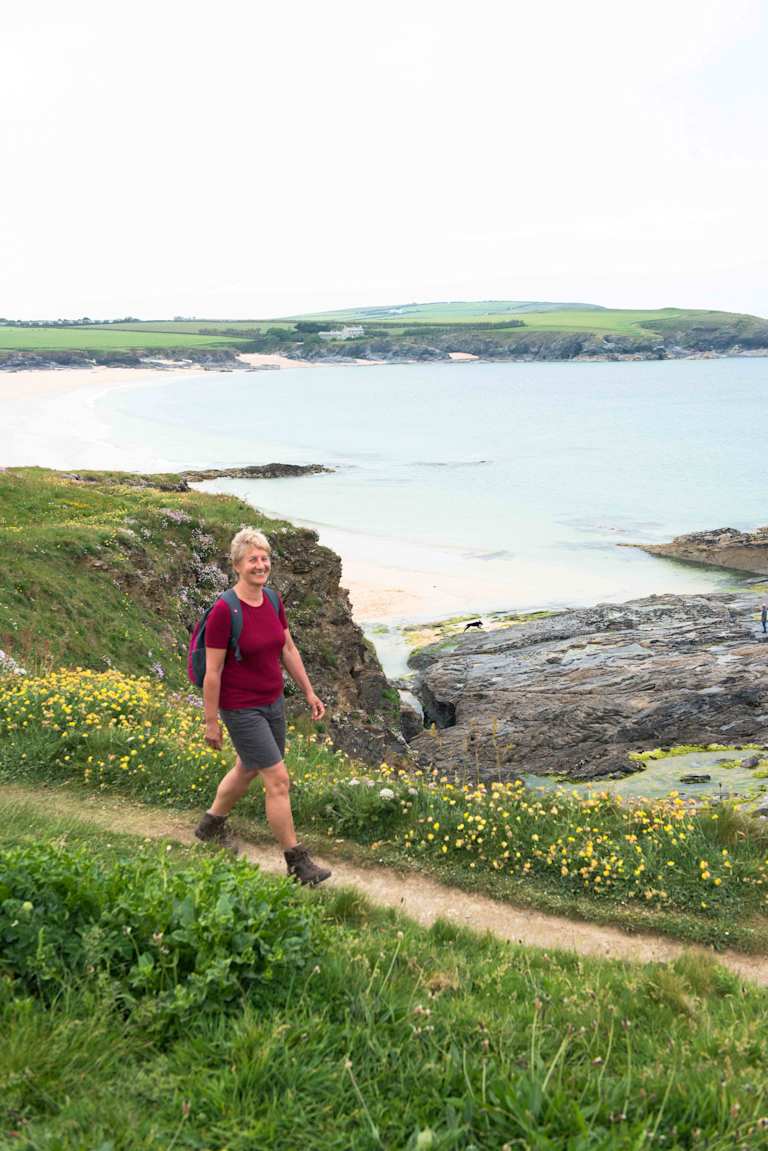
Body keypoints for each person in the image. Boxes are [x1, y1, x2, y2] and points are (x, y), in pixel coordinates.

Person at [194, 527, 331, 886]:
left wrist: (309, 692)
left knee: (248, 768)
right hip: (241, 708)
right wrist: (211, 722)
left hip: (273, 703)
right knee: (278, 780)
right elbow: (213, 672)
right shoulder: (225, 610)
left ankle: (210, 825)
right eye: (253, 559)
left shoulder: (272, 599)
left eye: (264, 558)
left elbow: (288, 650)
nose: (260, 564)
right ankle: (297, 863)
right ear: (237, 565)